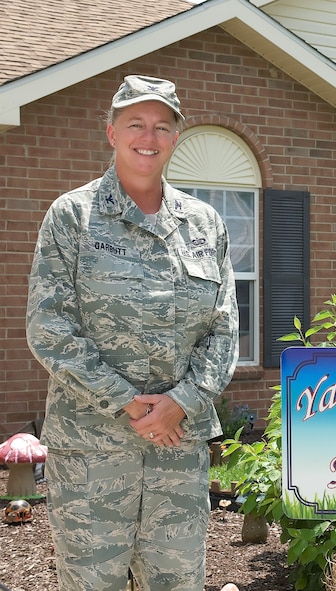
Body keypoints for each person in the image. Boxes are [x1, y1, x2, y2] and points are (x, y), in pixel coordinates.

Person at [26, 75, 239, 591]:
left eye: (162, 126)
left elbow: (225, 327)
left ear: (174, 137)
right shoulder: (72, 217)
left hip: (177, 448)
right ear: (112, 132)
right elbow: (47, 325)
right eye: (136, 124)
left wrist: (183, 400)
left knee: (177, 583)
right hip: (92, 454)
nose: (149, 136)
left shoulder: (205, 224)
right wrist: (129, 402)